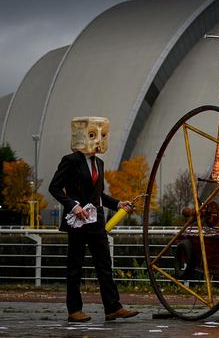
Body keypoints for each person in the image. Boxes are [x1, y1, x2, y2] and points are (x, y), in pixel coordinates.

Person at [49, 116, 139, 323]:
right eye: (93, 135)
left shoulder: (99, 162)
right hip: (77, 222)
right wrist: (73, 205)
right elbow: (54, 187)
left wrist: (117, 204)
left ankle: (113, 308)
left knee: (104, 265)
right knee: (75, 267)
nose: (99, 141)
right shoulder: (70, 161)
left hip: (96, 222)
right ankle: (74, 310)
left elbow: (98, 195)